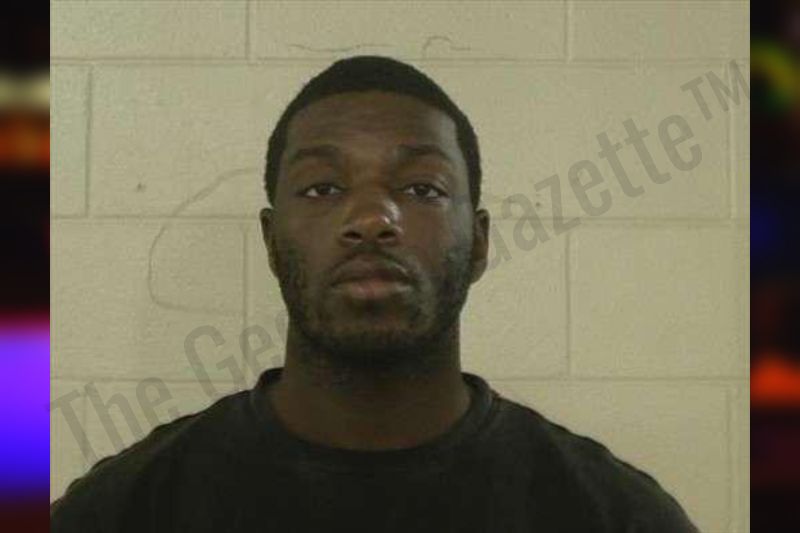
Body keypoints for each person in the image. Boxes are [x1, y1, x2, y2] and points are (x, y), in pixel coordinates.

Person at [51, 56, 699, 532]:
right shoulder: (122, 512)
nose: (371, 217)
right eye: (322, 188)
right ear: (271, 242)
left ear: (479, 242)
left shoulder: (616, 516)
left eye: (421, 189)